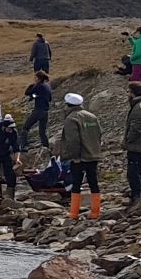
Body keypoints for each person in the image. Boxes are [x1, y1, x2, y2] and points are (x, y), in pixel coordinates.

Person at [61, 92, 103, 220]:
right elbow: (99, 134)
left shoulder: (71, 119)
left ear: (67, 105)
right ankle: (95, 212)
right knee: (93, 182)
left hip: (79, 157)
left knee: (76, 184)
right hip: (93, 155)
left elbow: (73, 141)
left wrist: (73, 156)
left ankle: (74, 213)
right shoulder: (92, 116)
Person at [124, 81, 141, 210]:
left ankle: (137, 196)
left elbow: (136, 127)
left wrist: (128, 140)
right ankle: (138, 195)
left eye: (129, 91)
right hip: (140, 145)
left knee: (134, 172)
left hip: (137, 145)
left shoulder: (139, 107)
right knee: (138, 170)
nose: (128, 94)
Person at [22, 70, 53, 151]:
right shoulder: (47, 86)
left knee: (25, 128)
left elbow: (27, 92)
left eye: (35, 77)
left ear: (38, 78)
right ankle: (46, 147)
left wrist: (32, 86)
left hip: (38, 111)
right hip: (45, 111)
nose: (34, 79)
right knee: (42, 131)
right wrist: (35, 96)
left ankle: (23, 146)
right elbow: (49, 98)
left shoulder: (38, 85)